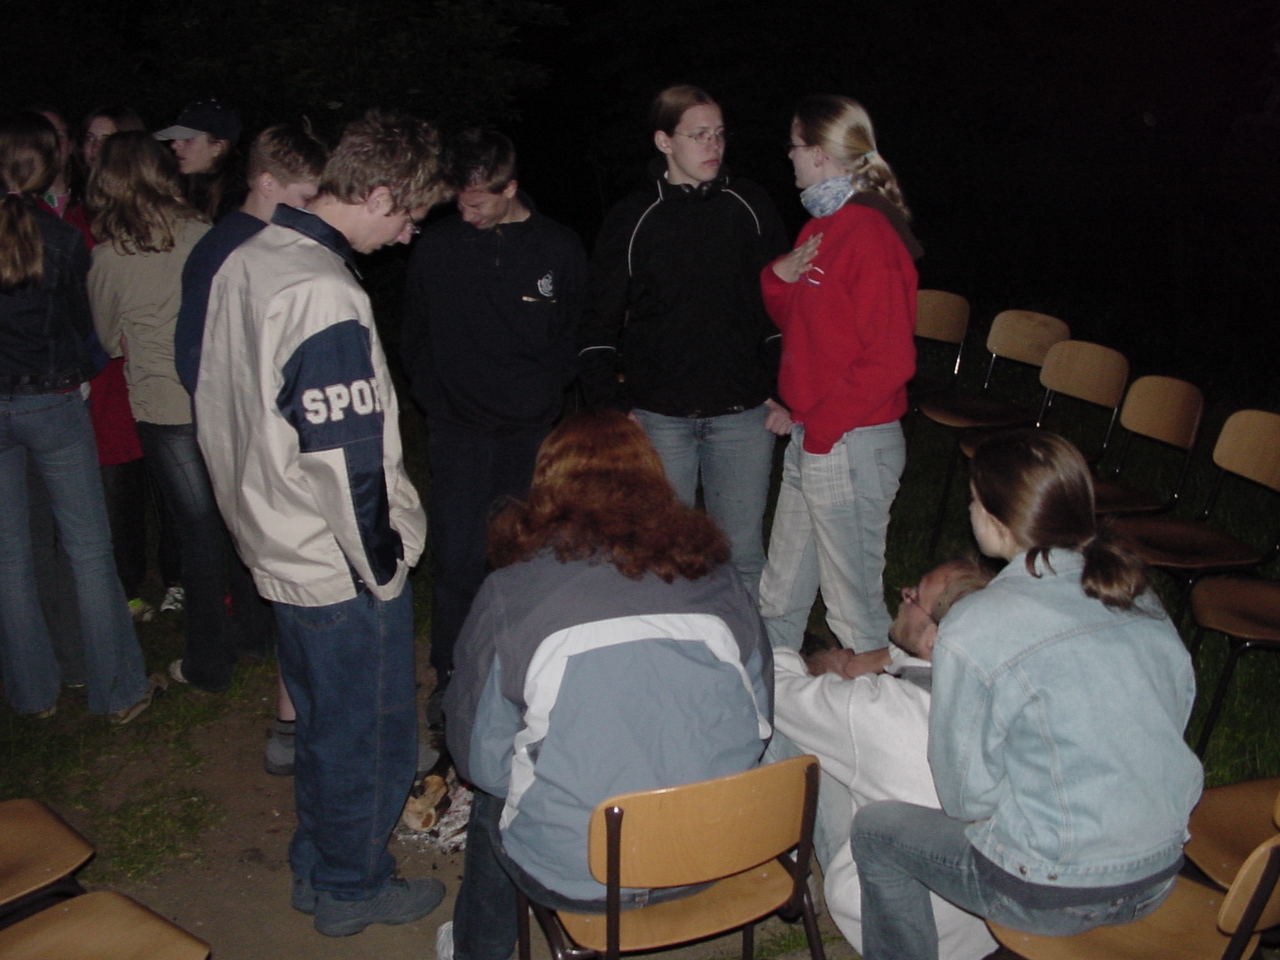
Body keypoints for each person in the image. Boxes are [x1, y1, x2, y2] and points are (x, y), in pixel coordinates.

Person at [196, 108, 449, 937]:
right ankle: (351, 886)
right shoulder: (323, 291)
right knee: (368, 736)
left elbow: (218, 405)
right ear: (376, 195)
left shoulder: (250, 256)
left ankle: (317, 865)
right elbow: (346, 460)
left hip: (277, 540)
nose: (408, 236)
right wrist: (384, 569)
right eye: (407, 216)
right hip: (334, 561)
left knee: (322, 724)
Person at [850, 430, 1204, 960]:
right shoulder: (1134, 591)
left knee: (876, 832)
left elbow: (966, 799)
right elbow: (1174, 715)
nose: (969, 511)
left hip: (1055, 892)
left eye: (974, 501)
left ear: (997, 520)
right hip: (1158, 872)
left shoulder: (977, 623)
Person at [441, 409, 773, 960]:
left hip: (585, 870)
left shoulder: (510, 592)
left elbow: (480, 761)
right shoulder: (719, 579)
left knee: (491, 798)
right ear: (654, 479)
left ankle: (477, 949)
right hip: (713, 849)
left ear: (546, 486)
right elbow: (760, 718)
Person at [401, 127, 586, 715]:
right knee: (458, 560)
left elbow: (573, 335)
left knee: (523, 556)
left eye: (477, 202)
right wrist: (436, 399)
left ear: (510, 188)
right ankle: (452, 674)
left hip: (528, 432)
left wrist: (543, 396)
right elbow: (414, 333)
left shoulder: (558, 248)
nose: (466, 212)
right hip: (457, 430)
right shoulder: (438, 247)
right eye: (460, 200)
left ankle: (522, 673)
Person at [578, 84, 789, 600]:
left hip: (742, 415)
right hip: (659, 419)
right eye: (698, 135)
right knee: (658, 552)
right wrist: (612, 406)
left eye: (719, 134)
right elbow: (598, 322)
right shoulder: (633, 217)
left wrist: (782, 388)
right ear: (664, 141)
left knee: (739, 553)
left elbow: (781, 308)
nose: (713, 146)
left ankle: (745, 647)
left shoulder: (750, 205)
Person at [176, 120, 328, 774]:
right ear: (266, 182)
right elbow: (194, 359)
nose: (314, 208)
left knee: (288, 578)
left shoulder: (282, 242)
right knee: (284, 575)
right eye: (304, 194)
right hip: (252, 444)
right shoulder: (224, 251)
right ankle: (296, 724)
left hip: (279, 441)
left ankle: (290, 705)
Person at [0, 109, 156, 723]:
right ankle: (117, 691)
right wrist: (83, 372)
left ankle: (34, 692)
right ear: (50, 165)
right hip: (53, 401)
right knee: (89, 550)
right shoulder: (64, 238)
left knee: (11, 555)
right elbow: (82, 329)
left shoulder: (61, 237)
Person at [759, 95, 922, 654]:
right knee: (779, 598)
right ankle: (772, 704)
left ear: (820, 153)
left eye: (795, 146)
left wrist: (823, 430)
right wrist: (777, 280)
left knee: (854, 614)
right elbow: (802, 325)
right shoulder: (820, 227)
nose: (789, 156)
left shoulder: (870, 233)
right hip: (817, 436)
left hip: (850, 441)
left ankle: (882, 706)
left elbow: (892, 359)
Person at [772, 558, 996, 960]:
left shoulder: (876, 711)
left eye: (915, 598)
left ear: (934, 641)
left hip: (896, 917)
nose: (904, 595)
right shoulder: (1010, 696)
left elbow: (777, 686)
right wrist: (878, 659)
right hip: (987, 921)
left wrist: (812, 667)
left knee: (795, 730)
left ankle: (790, 874)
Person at [154, 99, 243, 221]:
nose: (174, 145)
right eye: (176, 138)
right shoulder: (173, 185)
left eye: (188, 139)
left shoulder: (237, 200)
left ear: (217, 148)